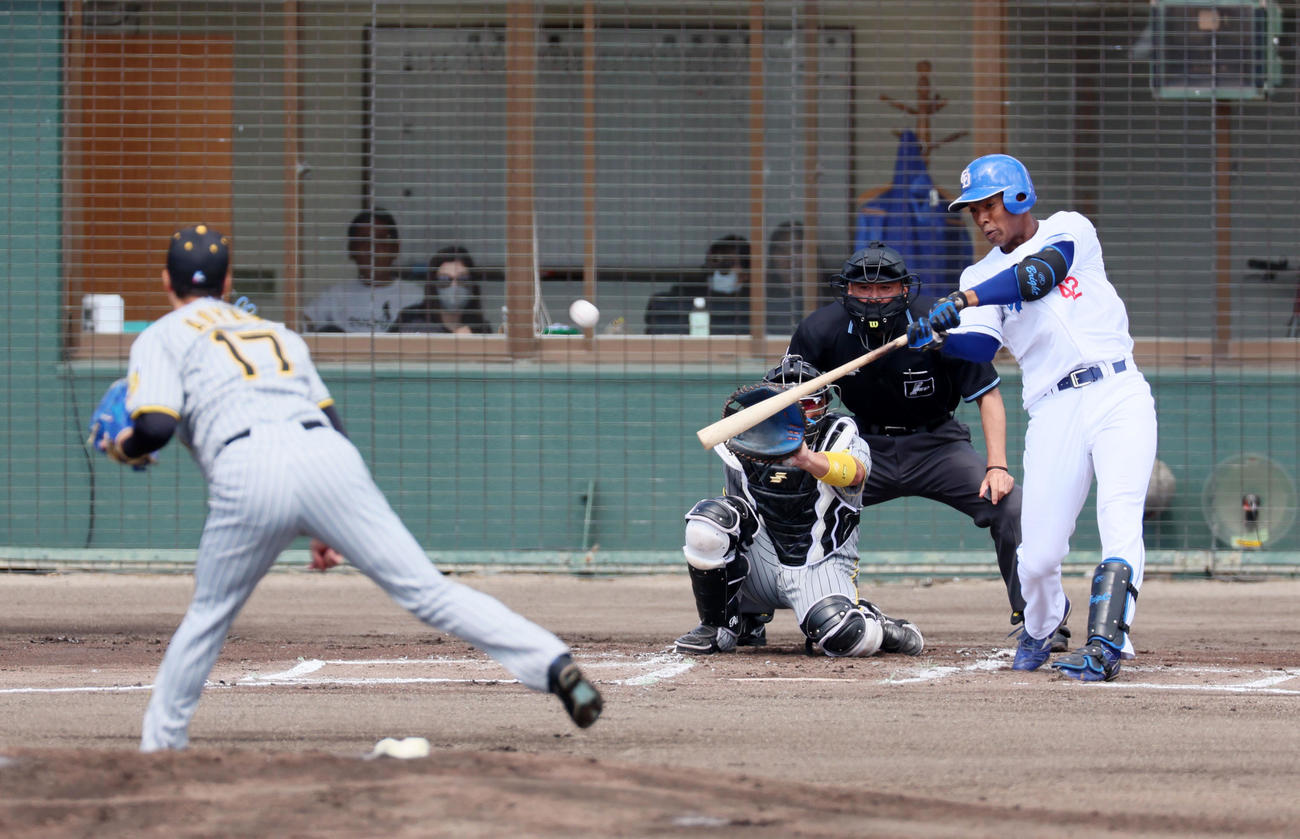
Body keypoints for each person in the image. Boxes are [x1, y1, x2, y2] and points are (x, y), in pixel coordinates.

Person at [104, 224, 600, 750]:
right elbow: (331, 421)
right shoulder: (274, 332)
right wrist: (326, 519)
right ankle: (552, 663)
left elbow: (154, 428)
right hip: (327, 456)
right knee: (429, 591)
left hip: (245, 463)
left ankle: (161, 748)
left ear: (165, 281)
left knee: (208, 617)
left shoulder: (160, 336)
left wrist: (121, 447)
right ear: (227, 282)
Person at [908, 153, 1157, 681]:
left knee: (1120, 517)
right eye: (973, 211)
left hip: (1118, 392)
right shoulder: (977, 272)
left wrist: (966, 296)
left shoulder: (1070, 229)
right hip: (1054, 409)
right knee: (1038, 555)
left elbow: (1038, 276)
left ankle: (1107, 643)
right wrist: (939, 337)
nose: (982, 219)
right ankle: (1043, 625)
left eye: (989, 205)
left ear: (1019, 197)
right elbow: (979, 347)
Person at [786, 242, 1067, 649]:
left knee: (1012, 506)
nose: (874, 297)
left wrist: (997, 467)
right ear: (845, 290)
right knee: (785, 501)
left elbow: (988, 395)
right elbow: (790, 394)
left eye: (885, 288)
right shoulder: (821, 329)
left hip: (939, 445)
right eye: (863, 290)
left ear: (905, 290)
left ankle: (1041, 620)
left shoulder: (937, 325)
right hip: (862, 447)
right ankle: (755, 613)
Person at [672, 356, 925, 659]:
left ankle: (879, 624)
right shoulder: (743, 439)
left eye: (805, 403)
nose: (796, 411)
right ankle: (723, 625)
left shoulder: (841, 433)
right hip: (760, 565)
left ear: (824, 402)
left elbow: (855, 472)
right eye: (786, 403)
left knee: (845, 638)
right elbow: (737, 512)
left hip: (818, 564)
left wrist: (806, 459)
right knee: (709, 522)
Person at [304, 208, 424, 333]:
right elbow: (303, 324)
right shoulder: (335, 295)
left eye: (381, 240)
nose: (373, 249)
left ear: (395, 248)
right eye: (364, 241)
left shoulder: (416, 296)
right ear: (351, 249)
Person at [644, 234, 751, 335]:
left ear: (747, 274)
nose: (718, 270)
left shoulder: (755, 302)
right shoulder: (685, 292)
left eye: (728, 263)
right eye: (714, 263)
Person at [394, 245, 493, 334]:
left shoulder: (481, 329)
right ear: (433, 285)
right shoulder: (411, 321)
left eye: (463, 279)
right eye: (445, 279)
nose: (455, 286)